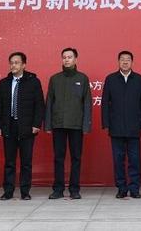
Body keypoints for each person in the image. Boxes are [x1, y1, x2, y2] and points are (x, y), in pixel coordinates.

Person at [0, 52, 45, 200]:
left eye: (16, 62)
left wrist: (36, 124)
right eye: (11, 62)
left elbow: (39, 104)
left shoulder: (33, 82)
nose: (13, 65)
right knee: (9, 162)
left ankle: (25, 191)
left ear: (24, 65)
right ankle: (8, 191)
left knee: (26, 162)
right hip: (8, 125)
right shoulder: (4, 83)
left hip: (27, 126)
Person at [45, 47, 92, 199]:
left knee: (76, 158)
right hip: (58, 124)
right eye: (64, 57)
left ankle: (74, 189)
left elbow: (87, 103)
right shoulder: (55, 79)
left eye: (69, 57)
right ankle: (58, 189)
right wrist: (48, 124)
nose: (66, 59)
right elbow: (49, 102)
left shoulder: (82, 78)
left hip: (76, 124)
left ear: (75, 59)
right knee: (58, 157)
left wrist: (86, 125)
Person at [101, 50, 141, 199]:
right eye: (122, 59)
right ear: (118, 62)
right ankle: (121, 188)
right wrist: (106, 123)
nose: (125, 62)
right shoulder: (111, 79)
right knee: (118, 160)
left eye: (128, 59)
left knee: (135, 160)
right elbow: (105, 103)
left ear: (132, 62)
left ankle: (134, 188)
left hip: (134, 127)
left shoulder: (139, 79)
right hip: (116, 127)